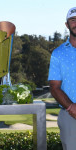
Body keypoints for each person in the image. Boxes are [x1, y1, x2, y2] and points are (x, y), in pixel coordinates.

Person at [48, 7, 76, 150]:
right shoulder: (58, 54)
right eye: (73, 20)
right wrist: (72, 107)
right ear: (67, 24)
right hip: (70, 115)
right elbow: (54, 87)